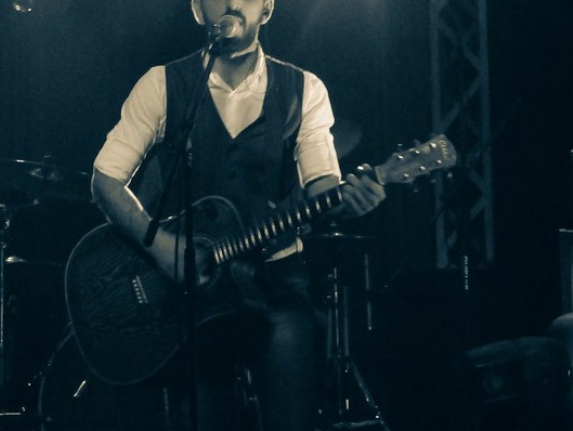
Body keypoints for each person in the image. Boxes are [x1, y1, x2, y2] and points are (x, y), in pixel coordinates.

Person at [90, 0, 386, 430]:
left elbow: (322, 186)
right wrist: (159, 246)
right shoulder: (162, 84)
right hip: (193, 299)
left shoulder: (305, 89)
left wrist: (351, 199)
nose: (231, 2)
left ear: (267, 8)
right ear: (197, 10)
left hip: (275, 284)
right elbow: (105, 179)